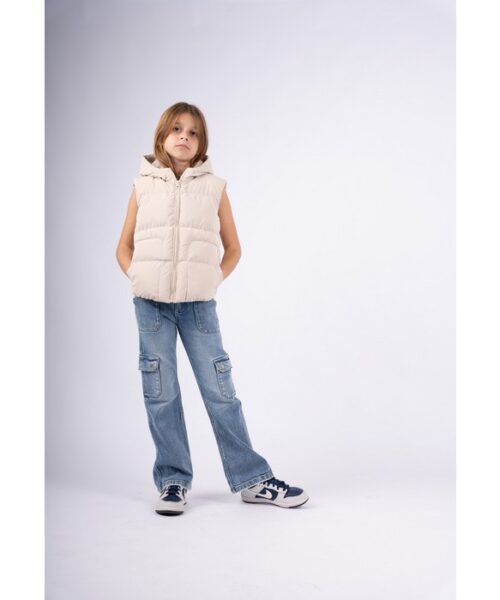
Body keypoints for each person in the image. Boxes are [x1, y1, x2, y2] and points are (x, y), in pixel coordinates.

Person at [115, 101, 309, 516]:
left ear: (201, 142)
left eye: (193, 132)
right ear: (162, 136)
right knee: (161, 394)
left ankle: (252, 480)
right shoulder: (142, 185)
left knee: (221, 393)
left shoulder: (215, 187)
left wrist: (212, 280)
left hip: (198, 307)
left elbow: (234, 248)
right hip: (150, 306)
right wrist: (137, 278)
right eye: (177, 129)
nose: (184, 137)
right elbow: (123, 246)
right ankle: (173, 481)